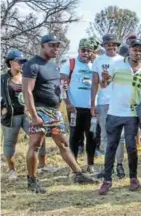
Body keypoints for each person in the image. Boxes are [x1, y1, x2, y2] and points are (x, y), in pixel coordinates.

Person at [23, 34, 96, 194]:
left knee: (63, 144)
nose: (55, 48)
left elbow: (59, 87)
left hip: (54, 112)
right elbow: (27, 91)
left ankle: (78, 174)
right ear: (42, 46)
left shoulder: (53, 65)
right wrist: (34, 116)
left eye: (57, 46)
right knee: (35, 146)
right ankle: (32, 180)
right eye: (52, 45)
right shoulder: (32, 64)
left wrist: (64, 102)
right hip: (40, 111)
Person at [97, 39, 141, 195]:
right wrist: (104, 78)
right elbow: (104, 85)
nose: (137, 52)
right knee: (111, 146)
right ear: (129, 50)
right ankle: (107, 180)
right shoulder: (117, 65)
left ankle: (133, 178)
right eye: (135, 49)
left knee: (132, 147)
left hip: (132, 115)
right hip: (114, 113)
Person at [1, 49, 47, 180]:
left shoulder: (26, 76)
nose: (21, 64)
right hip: (11, 116)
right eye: (18, 61)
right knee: (10, 143)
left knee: (39, 135)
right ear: (10, 62)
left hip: (28, 114)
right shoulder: (3, 79)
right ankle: (11, 171)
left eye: (23, 61)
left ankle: (43, 166)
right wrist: (1, 110)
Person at [91, 34, 126, 179]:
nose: (111, 47)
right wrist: (92, 103)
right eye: (108, 44)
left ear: (117, 46)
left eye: (114, 44)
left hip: (120, 103)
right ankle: (108, 167)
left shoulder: (123, 61)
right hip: (104, 103)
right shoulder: (98, 61)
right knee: (106, 136)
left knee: (121, 137)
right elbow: (94, 83)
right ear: (103, 46)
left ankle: (120, 165)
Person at [60, 38, 96, 173]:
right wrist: (68, 104)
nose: (85, 53)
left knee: (92, 136)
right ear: (78, 50)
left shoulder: (94, 65)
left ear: (92, 52)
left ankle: (90, 164)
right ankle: (74, 166)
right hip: (75, 107)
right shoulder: (70, 64)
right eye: (83, 50)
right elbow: (62, 86)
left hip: (91, 107)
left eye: (88, 50)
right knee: (75, 136)